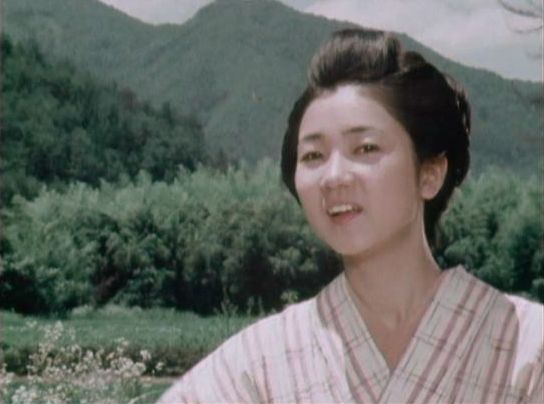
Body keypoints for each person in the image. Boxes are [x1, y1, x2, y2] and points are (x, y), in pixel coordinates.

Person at [159, 29, 543, 403]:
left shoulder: (529, 346)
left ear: (430, 173)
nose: (334, 176)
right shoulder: (259, 362)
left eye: (365, 148)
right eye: (313, 156)